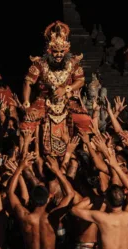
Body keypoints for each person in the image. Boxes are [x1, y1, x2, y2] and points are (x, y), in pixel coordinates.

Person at [8, 153, 74, 249]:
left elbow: (10, 193)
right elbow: (70, 194)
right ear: (48, 198)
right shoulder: (53, 217)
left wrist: (19, 169)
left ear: (31, 199)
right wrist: (57, 171)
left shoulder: (26, 217)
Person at [21, 20, 92, 156]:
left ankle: (88, 152)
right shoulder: (40, 65)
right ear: (49, 50)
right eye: (55, 52)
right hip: (44, 100)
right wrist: (26, 102)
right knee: (26, 123)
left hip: (66, 100)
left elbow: (81, 80)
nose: (59, 55)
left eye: (61, 52)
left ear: (66, 50)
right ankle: (24, 155)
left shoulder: (72, 64)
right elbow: (28, 82)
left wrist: (67, 89)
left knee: (86, 121)